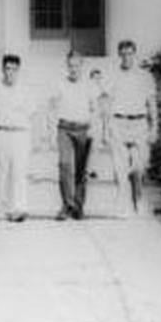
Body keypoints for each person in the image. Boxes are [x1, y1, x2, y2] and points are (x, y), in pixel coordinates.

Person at [106, 38, 158, 217]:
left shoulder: (145, 77)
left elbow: (152, 103)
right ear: (119, 55)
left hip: (139, 123)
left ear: (134, 54)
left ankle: (138, 197)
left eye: (130, 54)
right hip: (118, 122)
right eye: (123, 54)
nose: (127, 57)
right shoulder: (113, 75)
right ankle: (123, 205)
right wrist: (107, 128)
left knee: (139, 166)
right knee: (120, 168)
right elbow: (107, 103)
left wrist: (154, 127)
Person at [0, 53, 34, 222]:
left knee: (19, 172)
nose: (10, 72)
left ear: (18, 70)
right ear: (2, 70)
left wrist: (33, 138)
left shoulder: (25, 90)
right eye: (7, 69)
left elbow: (32, 114)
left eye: (13, 69)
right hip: (1, 133)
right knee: (3, 172)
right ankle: (5, 208)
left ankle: (20, 208)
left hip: (20, 133)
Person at [48, 51, 96, 220]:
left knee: (81, 169)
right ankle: (67, 205)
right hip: (65, 128)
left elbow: (95, 109)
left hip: (83, 128)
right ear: (67, 66)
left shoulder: (90, 85)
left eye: (77, 65)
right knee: (65, 165)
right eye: (71, 65)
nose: (73, 69)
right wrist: (49, 130)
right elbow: (52, 108)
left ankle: (78, 206)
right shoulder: (59, 84)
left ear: (82, 66)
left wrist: (94, 129)